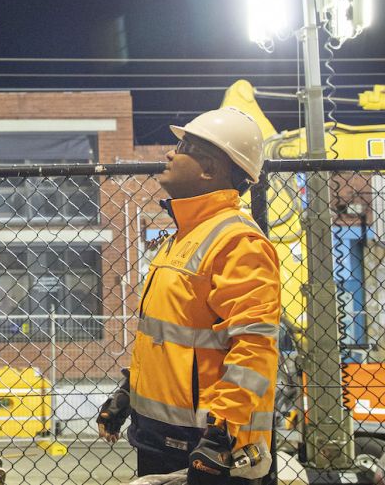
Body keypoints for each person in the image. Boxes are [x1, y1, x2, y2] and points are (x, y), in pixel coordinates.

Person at [96, 107, 280, 485]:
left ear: (210, 169)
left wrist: (222, 435)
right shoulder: (181, 239)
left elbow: (255, 348)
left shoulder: (238, 242)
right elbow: (165, 338)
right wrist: (129, 394)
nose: (169, 153)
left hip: (208, 451)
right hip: (164, 440)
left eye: (183, 146)